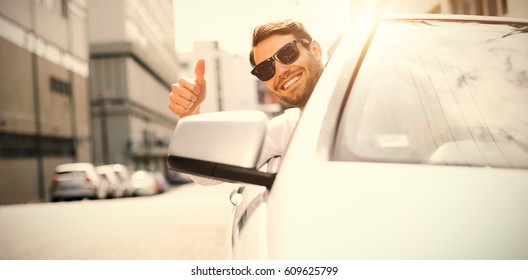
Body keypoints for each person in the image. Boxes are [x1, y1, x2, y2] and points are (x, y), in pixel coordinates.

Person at [168, 19, 325, 185]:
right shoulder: (288, 128)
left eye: (287, 54)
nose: (280, 72)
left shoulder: (355, 91)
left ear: (315, 50)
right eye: (266, 70)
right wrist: (190, 115)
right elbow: (205, 175)